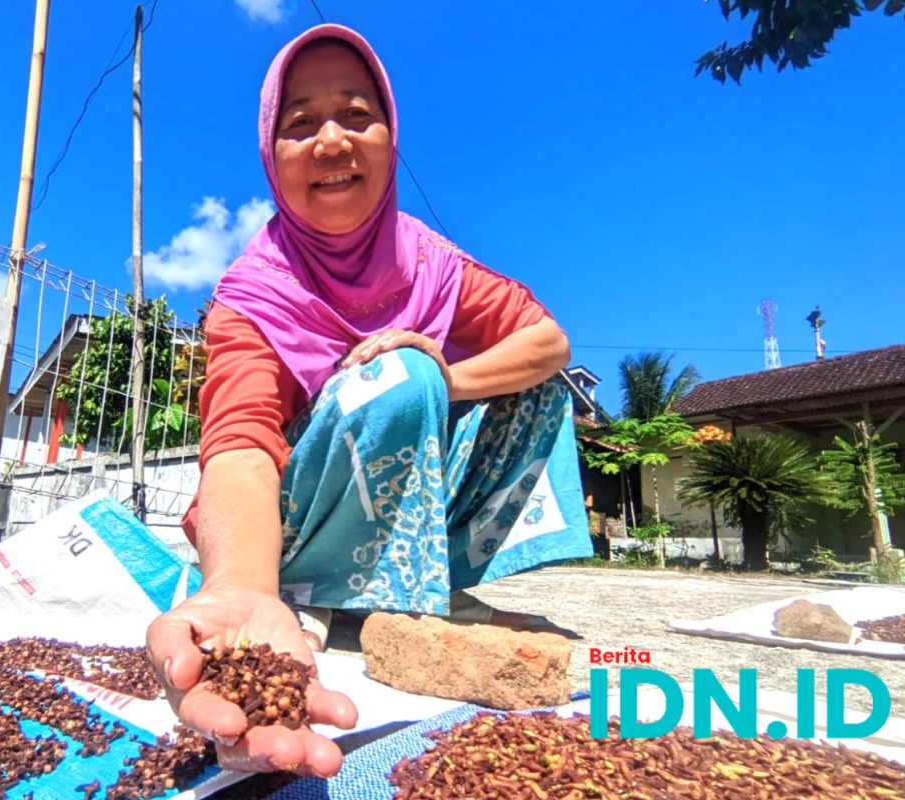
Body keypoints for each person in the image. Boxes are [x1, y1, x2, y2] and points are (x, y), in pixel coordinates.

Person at [145, 23, 592, 777]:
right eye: (300, 124)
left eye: (356, 114)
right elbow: (242, 443)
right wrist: (244, 589)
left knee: (525, 388)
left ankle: (417, 587)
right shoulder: (254, 295)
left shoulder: (429, 258)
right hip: (288, 528)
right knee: (401, 376)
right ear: (270, 153)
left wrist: (446, 375)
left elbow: (549, 342)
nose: (330, 141)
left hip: (408, 503)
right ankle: (305, 591)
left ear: (390, 138)